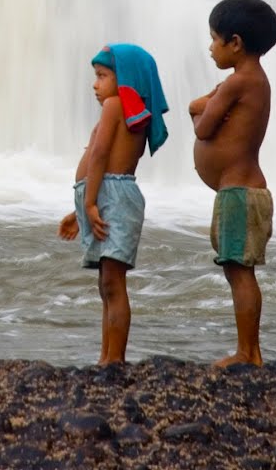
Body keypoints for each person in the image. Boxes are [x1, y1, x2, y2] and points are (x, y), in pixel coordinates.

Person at [58, 43, 169, 365]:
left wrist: (90, 202)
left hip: (111, 198)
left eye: (102, 76)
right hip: (105, 197)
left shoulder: (115, 106)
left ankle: (114, 359)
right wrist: (80, 212)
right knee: (106, 282)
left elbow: (100, 155)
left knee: (113, 282)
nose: (95, 84)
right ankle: (106, 356)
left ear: (126, 80)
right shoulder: (125, 109)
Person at [189, 0, 276, 368]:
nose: (210, 48)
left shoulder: (236, 83)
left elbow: (205, 129)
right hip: (244, 192)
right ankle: (250, 350)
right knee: (238, 271)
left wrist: (194, 110)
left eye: (214, 39)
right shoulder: (255, 81)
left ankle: (248, 352)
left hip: (239, 195)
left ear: (235, 43)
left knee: (240, 275)